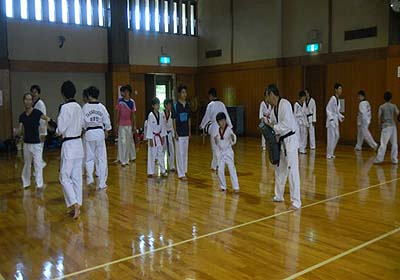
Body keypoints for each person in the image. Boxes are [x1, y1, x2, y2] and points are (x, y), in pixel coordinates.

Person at [264, 84, 301, 210]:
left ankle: (296, 201)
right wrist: (270, 125)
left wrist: (272, 127)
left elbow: (286, 124)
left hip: (290, 141)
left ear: (271, 94)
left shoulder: (284, 104)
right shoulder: (274, 108)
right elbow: (275, 124)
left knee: (292, 171)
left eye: (266, 96)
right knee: (280, 169)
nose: (266, 99)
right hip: (282, 142)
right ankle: (279, 195)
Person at [57, 81, 84, 219]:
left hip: (69, 145)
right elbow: (83, 124)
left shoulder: (65, 108)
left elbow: (60, 129)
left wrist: (55, 129)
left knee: (64, 176)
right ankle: (76, 205)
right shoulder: (79, 107)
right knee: (76, 177)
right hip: (79, 143)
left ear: (63, 94)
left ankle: (74, 203)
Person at [81, 86, 112, 190]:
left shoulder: (85, 107)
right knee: (102, 158)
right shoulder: (101, 107)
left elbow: (82, 123)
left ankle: (90, 178)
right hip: (99, 132)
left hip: (89, 133)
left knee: (89, 157)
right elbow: (107, 120)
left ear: (89, 95)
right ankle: (102, 183)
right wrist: (107, 129)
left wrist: (84, 129)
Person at [18, 93, 50, 190]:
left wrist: (45, 130)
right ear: (23, 101)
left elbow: (47, 118)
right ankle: (26, 182)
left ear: (32, 101)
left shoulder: (37, 113)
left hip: (36, 144)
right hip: (27, 144)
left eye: (30, 99)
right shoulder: (22, 116)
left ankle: (39, 184)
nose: (28, 101)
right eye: (26, 99)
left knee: (37, 164)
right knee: (27, 164)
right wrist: (17, 133)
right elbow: (20, 130)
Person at [200, 88, 232, 171]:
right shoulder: (222, 104)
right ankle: (214, 165)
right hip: (222, 127)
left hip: (214, 128)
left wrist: (202, 125)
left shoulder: (210, 105)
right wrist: (230, 126)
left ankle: (218, 165)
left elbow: (207, 117)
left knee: (215, 147)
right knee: (220, 146)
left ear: (210, 96)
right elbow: (226, 115)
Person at [214, 112, 239, 193]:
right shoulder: (217, 131)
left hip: (228, 152)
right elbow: (217, 143)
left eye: (223, 120)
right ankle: (223, 186)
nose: (222, 122)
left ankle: (236, 187)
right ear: (218, 122)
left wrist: (232, 138)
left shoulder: (229, 129)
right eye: (220, 121)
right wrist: (216, 140)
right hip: (221, 153)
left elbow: (233, 140)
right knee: (220, 170)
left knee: (231, 169)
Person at [374, 91, 399, 164]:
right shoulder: (394, 106)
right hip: (393, 126)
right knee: (394, 143)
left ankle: (379, 159)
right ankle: (394, 159)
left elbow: (379, 117)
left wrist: (379, 127)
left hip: (386, 126)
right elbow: (398, 114)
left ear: (384, 98)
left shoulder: (381, 107)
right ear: (391, 98)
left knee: (383, 143)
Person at [173, 85, 191, 180]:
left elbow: (189, 119)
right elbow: (174, 120)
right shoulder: (175, 105)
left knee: (185, 153)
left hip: (186, 132)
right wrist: (175, 132)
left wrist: (189, 131)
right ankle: (181, 174)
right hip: (179, 133)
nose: (185, 94)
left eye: (185, 92)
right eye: (183, 92)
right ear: (179, 94)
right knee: (179, 153)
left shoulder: (187, 105)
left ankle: (184, 170)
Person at [116, 85, 136, 166]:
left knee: (128, 142)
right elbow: (118, 113)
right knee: (122, 142)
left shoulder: (132, 102)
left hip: (129, 124)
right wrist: (117, 123)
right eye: (124, 91)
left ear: (129, 92)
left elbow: (133, 114)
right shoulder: (120, 101)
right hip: (121, 124)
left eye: (127, 91)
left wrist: (134, 125)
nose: (125, 93)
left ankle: (127, 159)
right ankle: (122, 159)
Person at [147, 97, 167, 177]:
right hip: (153, 137)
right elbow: (149, 127)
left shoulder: (161, 114)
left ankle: (163, 171)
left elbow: (163, 126)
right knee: (152, 154)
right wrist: (150, 139)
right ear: (153, 106)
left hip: (159, 137)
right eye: (156, 104)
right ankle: (151, 172)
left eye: (158, 104)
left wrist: (162, 135)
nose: (158, 106)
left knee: (161, 154)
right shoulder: (151, 115)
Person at [326, 83, 344, 159]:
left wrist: (341, 116)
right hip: (331, 121)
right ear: (335, 90)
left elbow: (337, 111)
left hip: (335, 120)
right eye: (339, 89)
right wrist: (331, 119)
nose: (340, 90)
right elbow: (328, 109)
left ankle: (331, 152)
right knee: (331, 137)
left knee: (337, 136)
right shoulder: (332, 98)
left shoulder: (338, 100)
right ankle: (328, 154)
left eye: (341, 89)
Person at [30, 85, 47, 166]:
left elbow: (43, 119)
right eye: (32, 92)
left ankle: (40, 166)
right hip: (35, 131)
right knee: (36, 152)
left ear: (39, 93)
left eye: (35, 92)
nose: (33, 94)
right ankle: (39, 165)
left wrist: (43, 133)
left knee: (38, 152)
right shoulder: (33, 104)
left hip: (40, 132)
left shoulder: (40, 104)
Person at [163, 99, 175, 171]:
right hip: (163, 135)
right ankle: (162, 167)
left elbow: (173, 126)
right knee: (162, 151)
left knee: (171, 150)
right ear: (165, 105)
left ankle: (172, 166)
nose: (170, 106)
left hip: (170, 134)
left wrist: (173, 136)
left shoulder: (172, 114)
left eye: (171, 105)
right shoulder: (162, 114)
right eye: (169, 105)